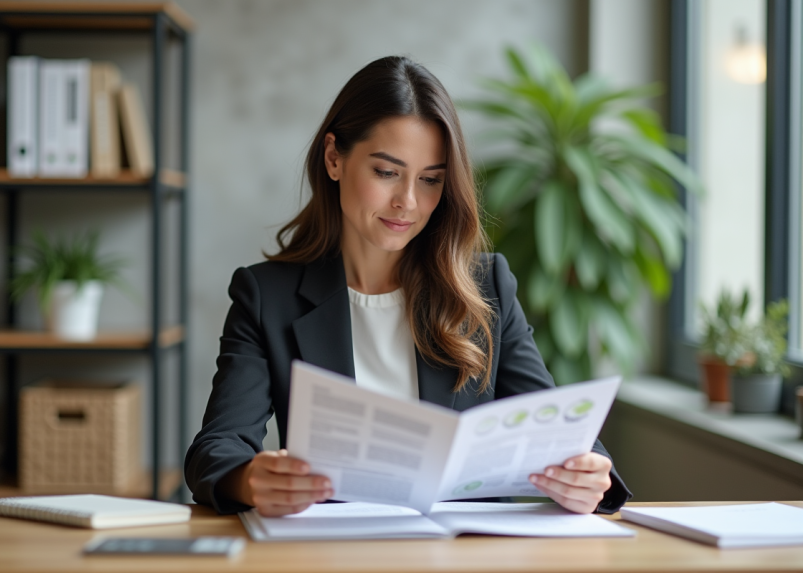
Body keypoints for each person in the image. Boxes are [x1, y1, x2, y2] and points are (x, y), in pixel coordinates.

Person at [185, 56, 632, 518]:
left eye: (431, 180)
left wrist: (590, 474)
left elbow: (556, 429)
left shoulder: (486, 287)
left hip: (464, 553)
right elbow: (217, 448)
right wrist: (250, 478)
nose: (408, 202)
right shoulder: (266, 296)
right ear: (334, 157)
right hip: (330, 552)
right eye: (386, 172)